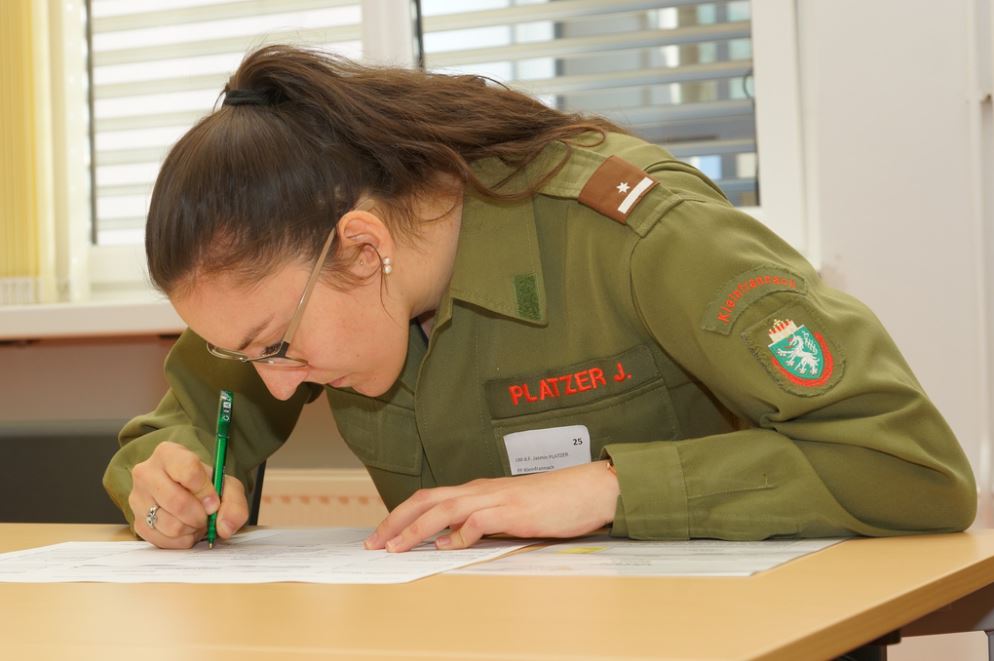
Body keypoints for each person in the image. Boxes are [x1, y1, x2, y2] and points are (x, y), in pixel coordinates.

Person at [103, 44, 976, 552]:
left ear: (364, 247)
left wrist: (609, 488)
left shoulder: (637, 237)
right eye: (242, 353)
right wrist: (169, 481)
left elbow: (914, 469)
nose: (273, 379)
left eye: (275, 346)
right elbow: (181, 429)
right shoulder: (285, 302)